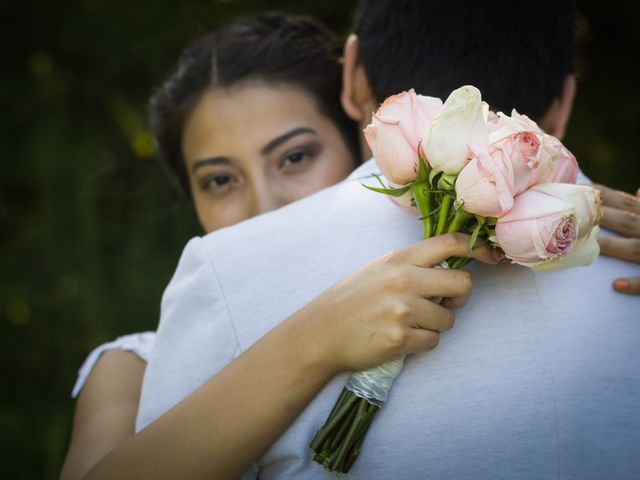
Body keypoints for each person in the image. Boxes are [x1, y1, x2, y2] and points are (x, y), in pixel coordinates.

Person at [135, 1, 639, 479]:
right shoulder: (624, 258)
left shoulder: (229, 268)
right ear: (565, 102)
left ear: (352, 73)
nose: (263, 204)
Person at [60, 13, 493, 480]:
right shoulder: (129, 370)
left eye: (295, 157)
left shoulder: (460, 327)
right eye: (220, 180)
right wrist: (315, 337)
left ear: (364, 149)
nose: (264, 206)